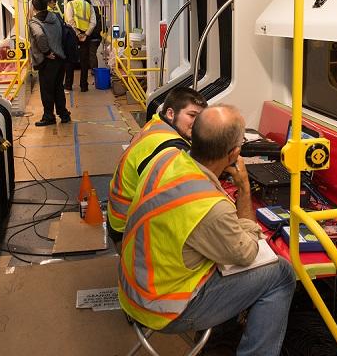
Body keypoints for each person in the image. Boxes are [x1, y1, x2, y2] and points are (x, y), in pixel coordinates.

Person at [118, 105, 295, 356]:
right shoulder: (210, 207)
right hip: (164, 309)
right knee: (281, 274)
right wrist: (244, 189)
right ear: (234, 153)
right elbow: (246, 253)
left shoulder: (166, 160)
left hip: (133, 290)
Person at [107, 87, 207, 240]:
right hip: (127, 227)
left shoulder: (155, 123)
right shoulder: (173, 148)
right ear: (171, 113)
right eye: (192, 115)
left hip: (116, 214)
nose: (197, 122)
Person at [28, 0, 70, 126]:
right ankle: (64, 115)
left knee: (47, 90)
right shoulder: (55, 17)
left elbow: (40, 36)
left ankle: (48, 117)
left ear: (34, 8)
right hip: (60, 57)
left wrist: (46, 52)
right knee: (58, 88)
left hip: (47, 60)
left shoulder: (34, 22)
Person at [64, 0, 98, 92]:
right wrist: (86, 34)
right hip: (85, 36)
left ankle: (68, 85)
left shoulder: (70, 4)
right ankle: (84, 86)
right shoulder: (89, 6)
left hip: (73, 35)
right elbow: (93, 22)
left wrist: (77, 33)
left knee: (70, 60)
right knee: (84, 61)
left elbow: (70, 20)